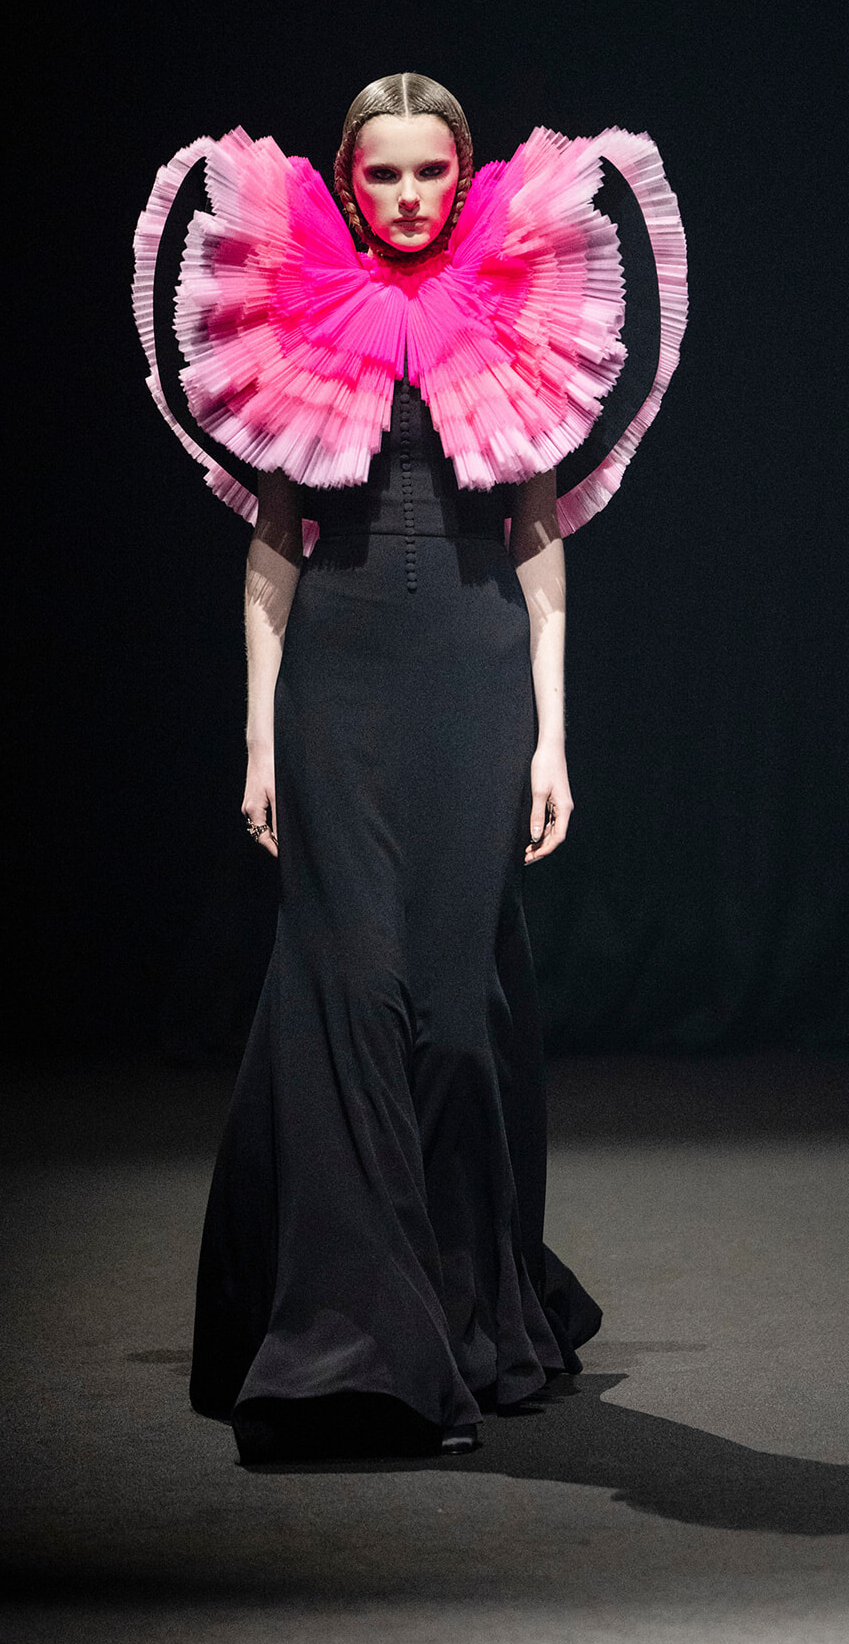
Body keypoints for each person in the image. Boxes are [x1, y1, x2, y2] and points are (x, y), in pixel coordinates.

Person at [132, 73, 687, 1461]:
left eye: (428, 172)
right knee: (352, 995)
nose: (406, 197)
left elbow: (541, 540)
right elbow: (273, 544)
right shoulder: (301, 310)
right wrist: (259, 735)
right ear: (348, 179)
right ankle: (358, 1354)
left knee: (450, 1015)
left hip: (474, 683)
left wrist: (554, 737)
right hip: (336, 685)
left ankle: (466, 1306)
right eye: (380, 175)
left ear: (462, 171)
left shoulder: (512, 309)